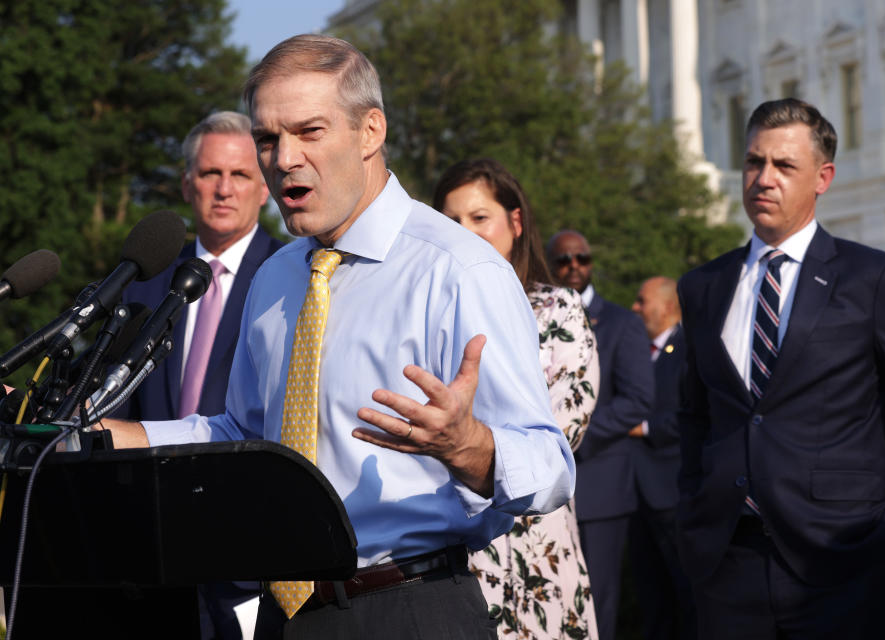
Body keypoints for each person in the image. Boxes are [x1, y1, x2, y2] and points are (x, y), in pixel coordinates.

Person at [103, 35, 574, 640]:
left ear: (370, 131)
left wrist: (470, 446)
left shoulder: (459, 270)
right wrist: (109, 437)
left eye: (309, 132)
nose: (284, 158)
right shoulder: (277, 276)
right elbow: (240, 436)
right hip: (283, 616)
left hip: (408, 607)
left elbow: (551, 466)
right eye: (268, 139)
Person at [676, 97, 885, 639]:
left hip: (842, 561)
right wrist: (691, 507)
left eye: (784, 166)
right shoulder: (702, 286)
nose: (764, 178)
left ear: (822, 177)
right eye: (754, 162)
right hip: (724, 563)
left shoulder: (872, 279)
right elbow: (693, 413)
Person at [118, 110, 286, 640]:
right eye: (211, 173)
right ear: (187, 183)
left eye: (240, 175)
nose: (224, 189)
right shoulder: (144, 283)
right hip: (150, 558)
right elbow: (114, 408)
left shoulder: (293, 280)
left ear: (264, 187)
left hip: (251, 557)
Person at [433, 158, 601, 639]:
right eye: (450, 222)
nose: (463, 232)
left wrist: (465, 444)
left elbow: (559, 433)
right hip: (452, 552)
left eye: (478, 217)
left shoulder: (557, 310)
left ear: (515, 222)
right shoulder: (428, 316)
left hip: (538, 546)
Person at [547, 230, 654, 640]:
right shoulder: (532, 316)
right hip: (544, 492)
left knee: (598, 606)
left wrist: (571, 437)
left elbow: (638, 400)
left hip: (599, 486)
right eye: (563, 260)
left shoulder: (623, 323)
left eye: (582, 258)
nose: (574, 266)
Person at [628, 276, 696, 640]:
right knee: (651, 595)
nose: (635, 308)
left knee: (684, 592)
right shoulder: (638, 349)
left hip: (672, 491)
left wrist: (642, 428)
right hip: (635, 493)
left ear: (669, 306)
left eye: (643, 301)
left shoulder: (690, 349)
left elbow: (694, 413)